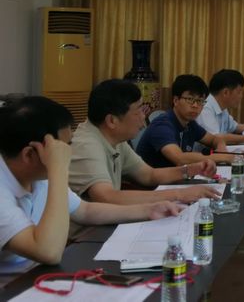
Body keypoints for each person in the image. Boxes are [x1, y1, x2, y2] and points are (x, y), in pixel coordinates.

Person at [0, 97, 181, 274]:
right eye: (63, 149)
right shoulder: (27, 180)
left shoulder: (39, 176)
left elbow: (84, 210)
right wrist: (58, 170)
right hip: (12, 286)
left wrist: (149, 210)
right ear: (29, 154)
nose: (68, 153)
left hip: (36, 275)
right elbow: (48, 252)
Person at [69, 79, 222, 205]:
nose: (144, 117)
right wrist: (179, 194)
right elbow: (106, 197)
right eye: (139, 111)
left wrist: (190, 170)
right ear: (112, 121)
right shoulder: (86, 145)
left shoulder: (115, 138)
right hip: (85, 231)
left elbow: (148, 175)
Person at [136, 74, 234, 168]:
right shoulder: (162, 125)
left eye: (200, 101)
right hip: (154, 179)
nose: (195, 105)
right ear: (176, 100)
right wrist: (223, 157)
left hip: (178, 176)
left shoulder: (190, 123)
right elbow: (179, 158)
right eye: (190, 99)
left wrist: (222, 149)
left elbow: (214, 139)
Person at [194, 69, 244, 152]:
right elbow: (216, 138)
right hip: (202, 156)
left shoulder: (222, 107)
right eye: (239, 92)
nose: (241, 96)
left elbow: (236, 127)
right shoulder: (205, 107)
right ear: (226, 92)